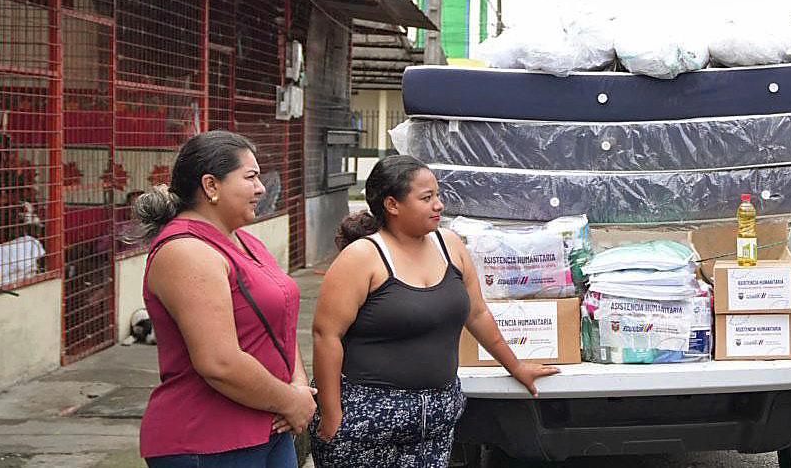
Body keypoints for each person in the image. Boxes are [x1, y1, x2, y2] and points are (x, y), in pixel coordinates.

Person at [309, 154, 560, 467]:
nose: (439, 205)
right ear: (392, 205)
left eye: (438, 195)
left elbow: (477, 314)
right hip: (367, 416)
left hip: (436, 415)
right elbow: (326, 335)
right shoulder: (363, 257)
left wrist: (516, 366)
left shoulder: (450, 245)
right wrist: (332, 414)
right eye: (426, 198)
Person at [135, 130, 314, 467]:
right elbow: (219, 362)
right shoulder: (186, 251)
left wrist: (299, 387)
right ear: (211, 186)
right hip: (208, 439)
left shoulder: (245, 241)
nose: (261, 188)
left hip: (269, 426)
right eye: (250, 177)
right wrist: (290, 401)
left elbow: (281, 322)